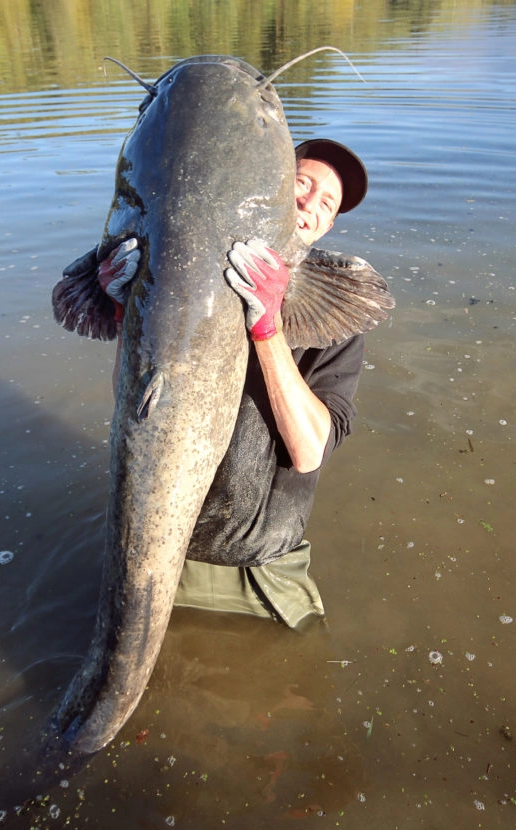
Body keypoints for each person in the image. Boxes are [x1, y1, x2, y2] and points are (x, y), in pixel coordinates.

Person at [100, 139, 372, 629]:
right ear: (266, 188)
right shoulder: (191, 271)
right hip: (158, 553)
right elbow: (134, 403)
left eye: (326, 203)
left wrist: (268, 329)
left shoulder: (340, 313)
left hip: (263, 570)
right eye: (301, 183)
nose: (308, 205)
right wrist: (131, 316)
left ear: (328, 225)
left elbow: (310, 451)